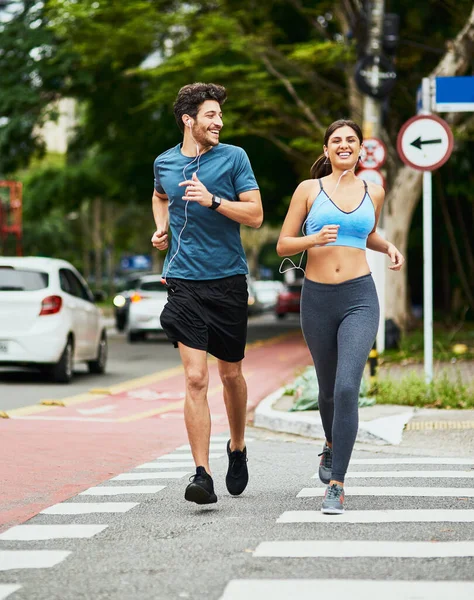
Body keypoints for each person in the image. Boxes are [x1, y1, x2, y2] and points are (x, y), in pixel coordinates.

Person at [276, 119, 404, 514]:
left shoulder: (374, 191)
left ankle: (337, 483)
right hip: (317, 299)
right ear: (327, 150)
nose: (344, 145)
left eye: (351, 140)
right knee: (328, 389)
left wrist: (389, 247)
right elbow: (283, 244)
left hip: (359, 297)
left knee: (348, 387)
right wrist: (312, 239)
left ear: (360, 148)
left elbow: (365, 234)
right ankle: (331, 444)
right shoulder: (308, 190)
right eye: (337, 140)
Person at [151, 83, 263, 505]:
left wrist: (214, 201)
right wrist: (162, 228)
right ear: (189, 120)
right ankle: (202, 473)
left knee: (230, 374)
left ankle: (237, 445)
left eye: (219, 115)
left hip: (227, 279)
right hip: (182, 280)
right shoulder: (164, 162)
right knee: (196, 377)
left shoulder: (234, 158)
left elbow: (255, 215)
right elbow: (160, 196)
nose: (219, 122)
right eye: (211, 115)